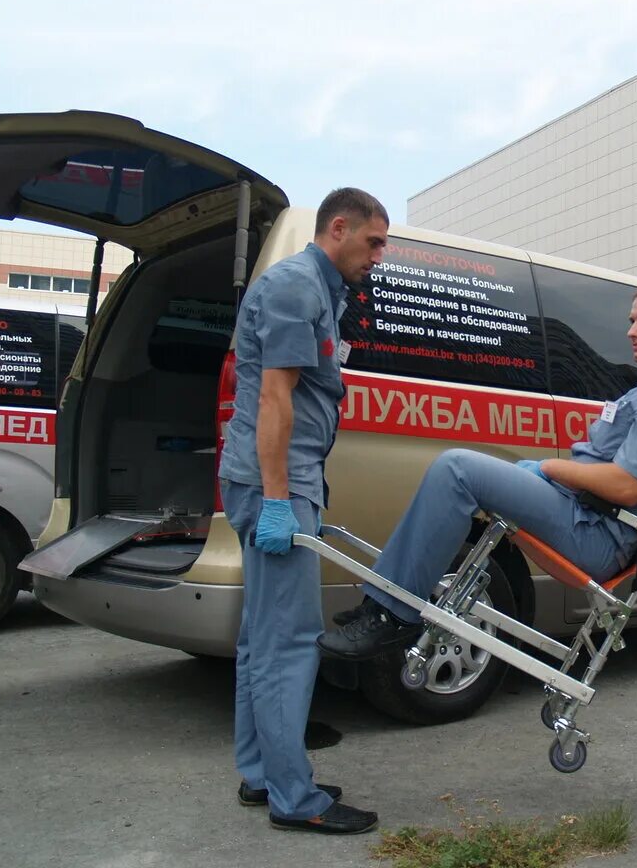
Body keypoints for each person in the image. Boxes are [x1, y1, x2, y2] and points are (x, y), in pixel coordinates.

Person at [316, 279, 637, 661]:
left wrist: (550, 467)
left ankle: (392, 614)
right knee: (475, 471)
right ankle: (382, 602)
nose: (631, 331)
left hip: (595, 533)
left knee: (457, 469)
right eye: (631, 321)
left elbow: (627, 487)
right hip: (582, 514)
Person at [217, 187, 389, 836]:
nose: (379, 255)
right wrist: (282, 502)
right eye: (372, 242)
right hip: (276, 485)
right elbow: (274, 404)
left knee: (260, 639)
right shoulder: (297, 289)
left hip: (276, 481)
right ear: (337, 228)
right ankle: (297, 798)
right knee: (289, 642)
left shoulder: (320, 289)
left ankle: (263, 772)